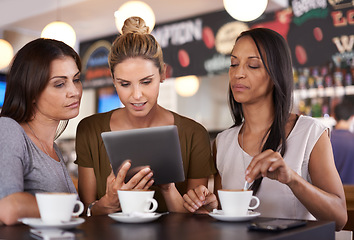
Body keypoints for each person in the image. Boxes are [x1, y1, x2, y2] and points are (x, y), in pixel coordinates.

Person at [182, 28, 347, 231]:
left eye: (253, 65)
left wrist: (292, 179)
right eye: (234, 64)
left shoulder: (310, 132)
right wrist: (212, 207)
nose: (238, 73)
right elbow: (229, 217)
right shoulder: (223, 143)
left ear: (276, 73)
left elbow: (339, 219)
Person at [75, 16, 216, 216]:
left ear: (163, 74)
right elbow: (85, 214)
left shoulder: (193, 134)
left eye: (146, 82)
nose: (137, 95)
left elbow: (196, 218)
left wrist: (169, 189)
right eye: (125, 84)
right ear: (113, 80)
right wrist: (108, 202)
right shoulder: (89, 130)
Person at [0, 38, 82, 225]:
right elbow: (7, 208)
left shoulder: (53, 149)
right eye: (60, 84)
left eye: (76, 80)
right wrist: (68, 208)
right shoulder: (8, 129)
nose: (74, 91)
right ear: (32, 91)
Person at [331, 101, 354, 184]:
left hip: (331, 193)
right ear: (352, 117)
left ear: (333, 116)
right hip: (351, 192)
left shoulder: (325, 138)